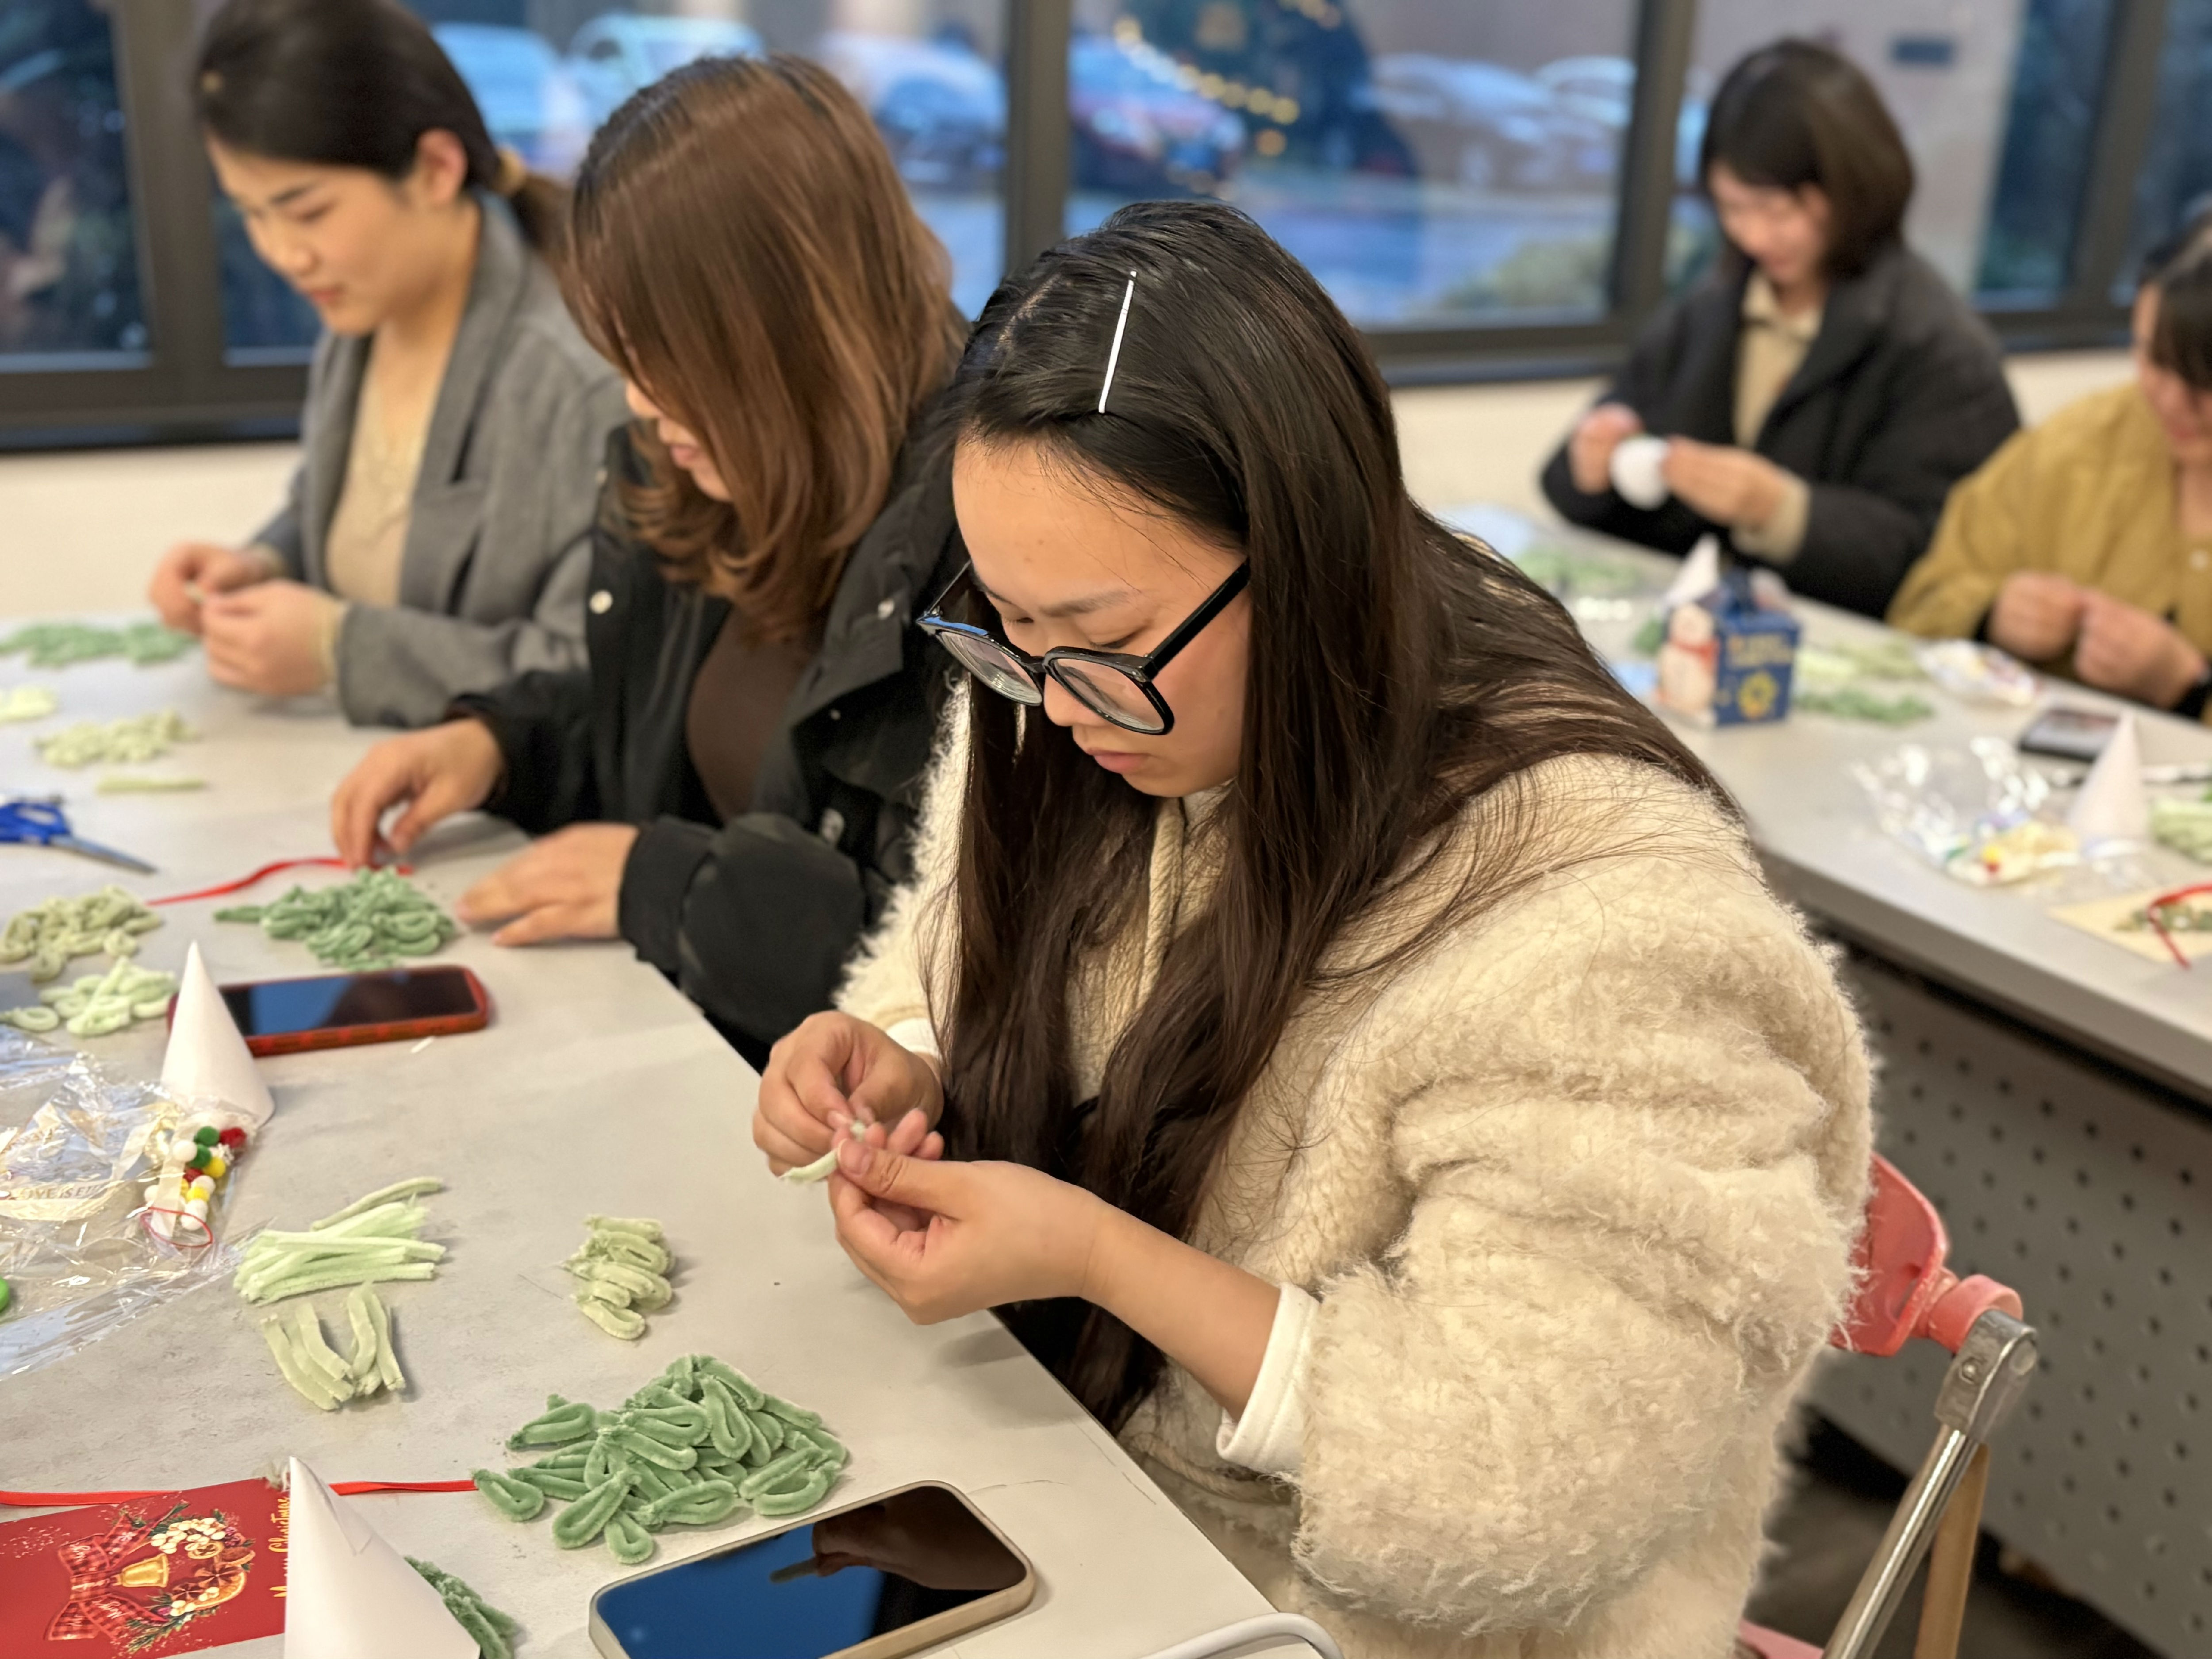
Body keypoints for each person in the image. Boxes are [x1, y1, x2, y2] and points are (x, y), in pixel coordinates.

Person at [753, 201, 1873, 1659]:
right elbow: (952, 948)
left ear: (1307, 559)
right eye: (1009, 627)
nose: (1054, 700)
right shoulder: (1065, 697)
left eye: (1104, 639)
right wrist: (912, 1057)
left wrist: (1100, 1258)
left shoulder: (1603, 929)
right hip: (1086, 1482)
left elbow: (1532, 1483)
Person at [330, 54, 966, 1065]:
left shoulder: (980, 543)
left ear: (784, 332)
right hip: (681, 1045)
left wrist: (665, 885)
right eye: (622, 356)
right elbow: (652, 727)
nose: (637, 399)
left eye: (663, 360)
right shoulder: (700, 476)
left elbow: (940, 963)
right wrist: (503, 744)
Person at [147, 0, 627, 729]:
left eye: (308, 212)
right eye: (252, 214)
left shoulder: (574, 379)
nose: (283, 254)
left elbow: (589, 671)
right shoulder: (364, 310)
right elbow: (350, 508)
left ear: (436, 169)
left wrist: (340, 651)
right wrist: (263, 565)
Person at [1540, 38, 2016, 618]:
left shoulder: (1939, 349)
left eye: (1779, 210)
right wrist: (1593, 463)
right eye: (1733, 209)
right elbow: (1571, 476)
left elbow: (1942, 561)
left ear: (1855, 186)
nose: (1754, 236)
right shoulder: (1712, 308)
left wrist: (1780, 511)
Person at [1889, 214, 2212, 718]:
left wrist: (2190, 685)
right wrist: (1991, 614)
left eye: (2202, 380)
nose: (2171, 401)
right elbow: (1920, 602)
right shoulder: (2080, 444)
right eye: (2153, 359)